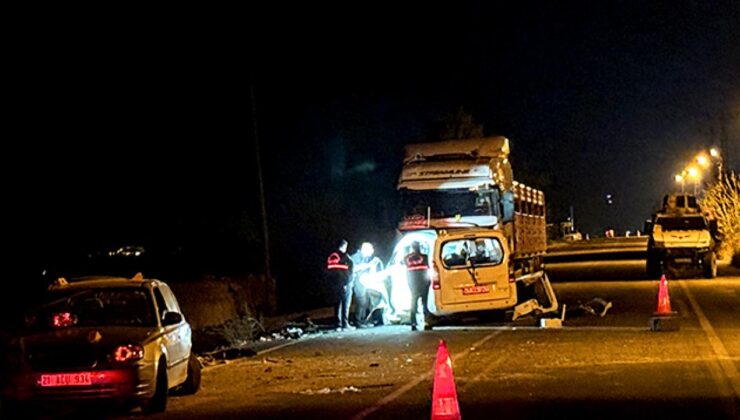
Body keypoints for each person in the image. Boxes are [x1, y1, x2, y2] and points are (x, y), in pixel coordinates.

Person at [351, 242, 385, 326]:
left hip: (365, 282)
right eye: (370, 251)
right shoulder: (356, 257)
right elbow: (354, 268)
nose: (371, 253)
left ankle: (363, 320)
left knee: (366, 302)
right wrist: (368, 265)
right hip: (357, 281)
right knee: (361, 301)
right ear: (364, 249)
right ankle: (358, 321)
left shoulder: (366, 258)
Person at [326, 239, 354, 331]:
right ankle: (345, 324)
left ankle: (338, 324)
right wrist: (347, 283)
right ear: (344, 246)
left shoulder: (331, 256)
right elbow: (347, 271)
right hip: (345, 283)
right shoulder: (345, 257)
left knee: (337, 303)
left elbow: (328, 271)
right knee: (346, 303)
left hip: (334, 283)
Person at [404, 240, 432, 331]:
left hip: (413, 283)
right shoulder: (425, 257)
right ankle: (427, 322)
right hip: (424, 282)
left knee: (414, 302)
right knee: (424, 303)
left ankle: (413, 323)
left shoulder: (407, 258)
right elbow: (427, 268)